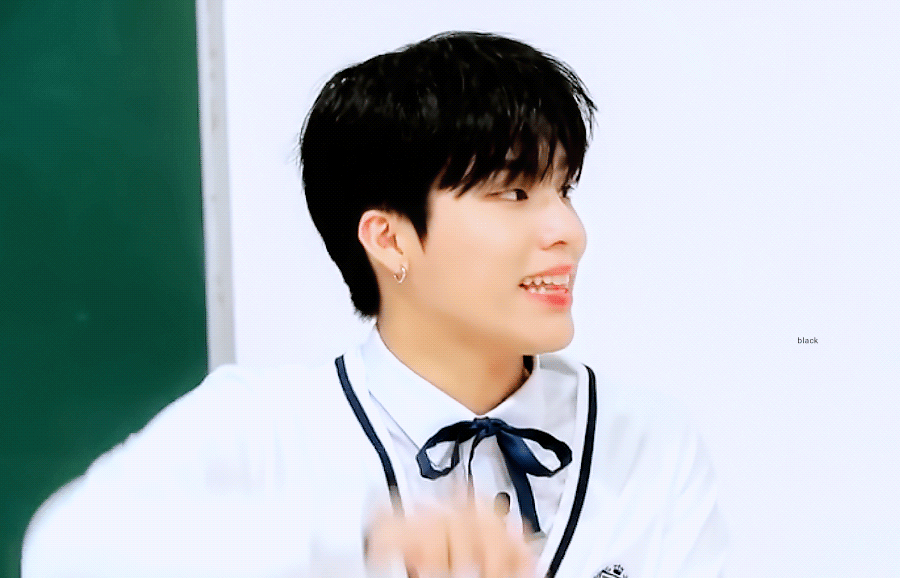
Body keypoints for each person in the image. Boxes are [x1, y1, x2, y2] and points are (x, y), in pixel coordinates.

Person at [21, 31, 727, 578]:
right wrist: (364, 537)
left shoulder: (647, 443)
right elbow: (61, 550)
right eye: (514, 193)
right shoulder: (263, 426)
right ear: (389, 240)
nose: (568, 231)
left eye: (563, 190)